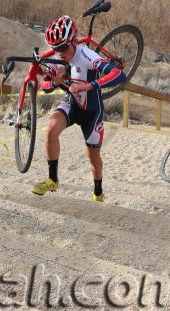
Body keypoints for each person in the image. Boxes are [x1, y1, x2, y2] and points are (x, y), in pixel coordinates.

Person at [31, 15, 126, 202]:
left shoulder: (86, 55)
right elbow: (44, 84)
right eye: (55, 48)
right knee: (50, 129)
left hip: (92, 111)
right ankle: (52, 179)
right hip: (72, 103)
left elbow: (119, 74)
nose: (59, 53)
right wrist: (53, 82)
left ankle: (98, 191)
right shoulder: (55, 56)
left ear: (74, 41)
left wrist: (88, 86)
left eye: (63, 48)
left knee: (93, 158)